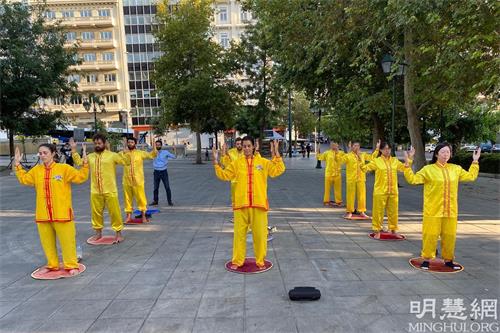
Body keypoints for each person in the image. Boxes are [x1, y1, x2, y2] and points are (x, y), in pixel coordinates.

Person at [14, 143, 89, 276]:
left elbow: (81, 177)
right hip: (43, 214)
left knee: (67, 242)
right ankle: (52, 264)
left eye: (45, 153)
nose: (42, 156)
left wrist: (85, 164)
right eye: (40, 153)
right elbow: (24, 179)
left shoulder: (64, 169)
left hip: (62, 213)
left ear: (53, 153)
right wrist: (18, 165)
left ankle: (71, 265)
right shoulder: (36, 170)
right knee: (47, 243)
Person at [403, 143, 480, 270]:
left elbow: (471, 176)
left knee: (450, 236)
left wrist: (475, 161)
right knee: (430, 235)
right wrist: (408, 164)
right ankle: (427, 259)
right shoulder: (429, 170)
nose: (446, 155)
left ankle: (448, 260)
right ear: (436, 154)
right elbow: (413, 179)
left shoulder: (456, 169)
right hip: (433, 210)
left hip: (450, 211)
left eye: (448, 152)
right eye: (443, 152)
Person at [213, 137, 285, 270]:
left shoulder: (263, 162)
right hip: (241, 205)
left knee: (260, 235)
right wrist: (216, 162)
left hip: (259, 205)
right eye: (244, 146)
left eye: (248, 146)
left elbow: (278, 170)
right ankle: (238, 261)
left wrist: (276, 152)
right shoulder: (236, 163)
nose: (246, 148)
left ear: (253, 147)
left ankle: (260, 261)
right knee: (239, 235)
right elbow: (225, 175)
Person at [71, 134, 130, 242]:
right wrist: (74, 150)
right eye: (96, 143)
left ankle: (118, 233)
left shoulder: (112, 155)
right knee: (96, 213)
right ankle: (98, 233)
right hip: (95, 191)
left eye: (99, 143)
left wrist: (126, 152)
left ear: (104, 143)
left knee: (114, 212)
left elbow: (126, 162)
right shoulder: (90, 156)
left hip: (110, 190)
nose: (97, 145)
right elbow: (80, 163)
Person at [362, 141, 408, 238]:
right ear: (381, 150)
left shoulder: (395, 161)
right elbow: (365, 168)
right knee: (378, 211)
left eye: (389, 148)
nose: (387, 151)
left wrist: (408, 159)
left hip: (393, 191)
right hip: (380, 191)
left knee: (393, 211)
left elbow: (404, 168)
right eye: (385, 149)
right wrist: (359, 161)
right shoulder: (377, 161)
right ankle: (377, 229)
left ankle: (393, 229)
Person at [337, 140, 380, 219]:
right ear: (352, 146)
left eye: (358, 146)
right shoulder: (348, 156)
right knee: (350, 195)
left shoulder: (363, 155)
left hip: (361, 178)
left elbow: (372, 158)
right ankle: (349, 211)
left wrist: (377, 149)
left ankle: (362, 211)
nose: (356, 147)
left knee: (362, 195)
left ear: (359, 147)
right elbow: (340, 161)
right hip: (351, 179)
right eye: (355, 146)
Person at [120, 137, 157, 223]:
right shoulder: (124, 153)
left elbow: (152, 155)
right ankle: (128, 217)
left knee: (141, 198)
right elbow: (115, 158)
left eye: (132, 142)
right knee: (127, 199)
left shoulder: (140, 153)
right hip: (127, 180)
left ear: (135, 144)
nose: (130, 144)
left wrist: (154, 145)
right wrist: (123, 148)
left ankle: (143, 216)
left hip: (138, 180)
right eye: (128, 142)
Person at [316, 142, 345, 206]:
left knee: (338, 189)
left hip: (337, 174)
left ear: (338, 145)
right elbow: (319, 157)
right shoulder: (327, 153)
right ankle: (326, 201)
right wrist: (318, 149)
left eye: (334, 144)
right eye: (332, 145)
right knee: (327, 188)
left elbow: (346, 159)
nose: (333, 146)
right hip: (328, 174)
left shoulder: (341, 153)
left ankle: (338, 201)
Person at [150, 140, 176, 206]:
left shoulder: (165, 152)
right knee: (155, 188)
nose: (158, 146)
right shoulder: (153, 153)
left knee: (167, 187)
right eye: (156, 145)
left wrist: (174, 149)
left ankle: (169, 201)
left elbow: (174, 156)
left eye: (159, 145)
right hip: (156, 172)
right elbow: (146, 156)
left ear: (161, 145)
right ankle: (155, 201)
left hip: (164, 172)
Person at [221, 137, 243, 205]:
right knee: (234, 195)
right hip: (234, 178)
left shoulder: (246, 152)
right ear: (235, 145)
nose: (239, 145)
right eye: (237, 144)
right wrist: (224, 151)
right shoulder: (231, 152)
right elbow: (225, 160)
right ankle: (235, 208)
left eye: (240, 144)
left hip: (244, 176)